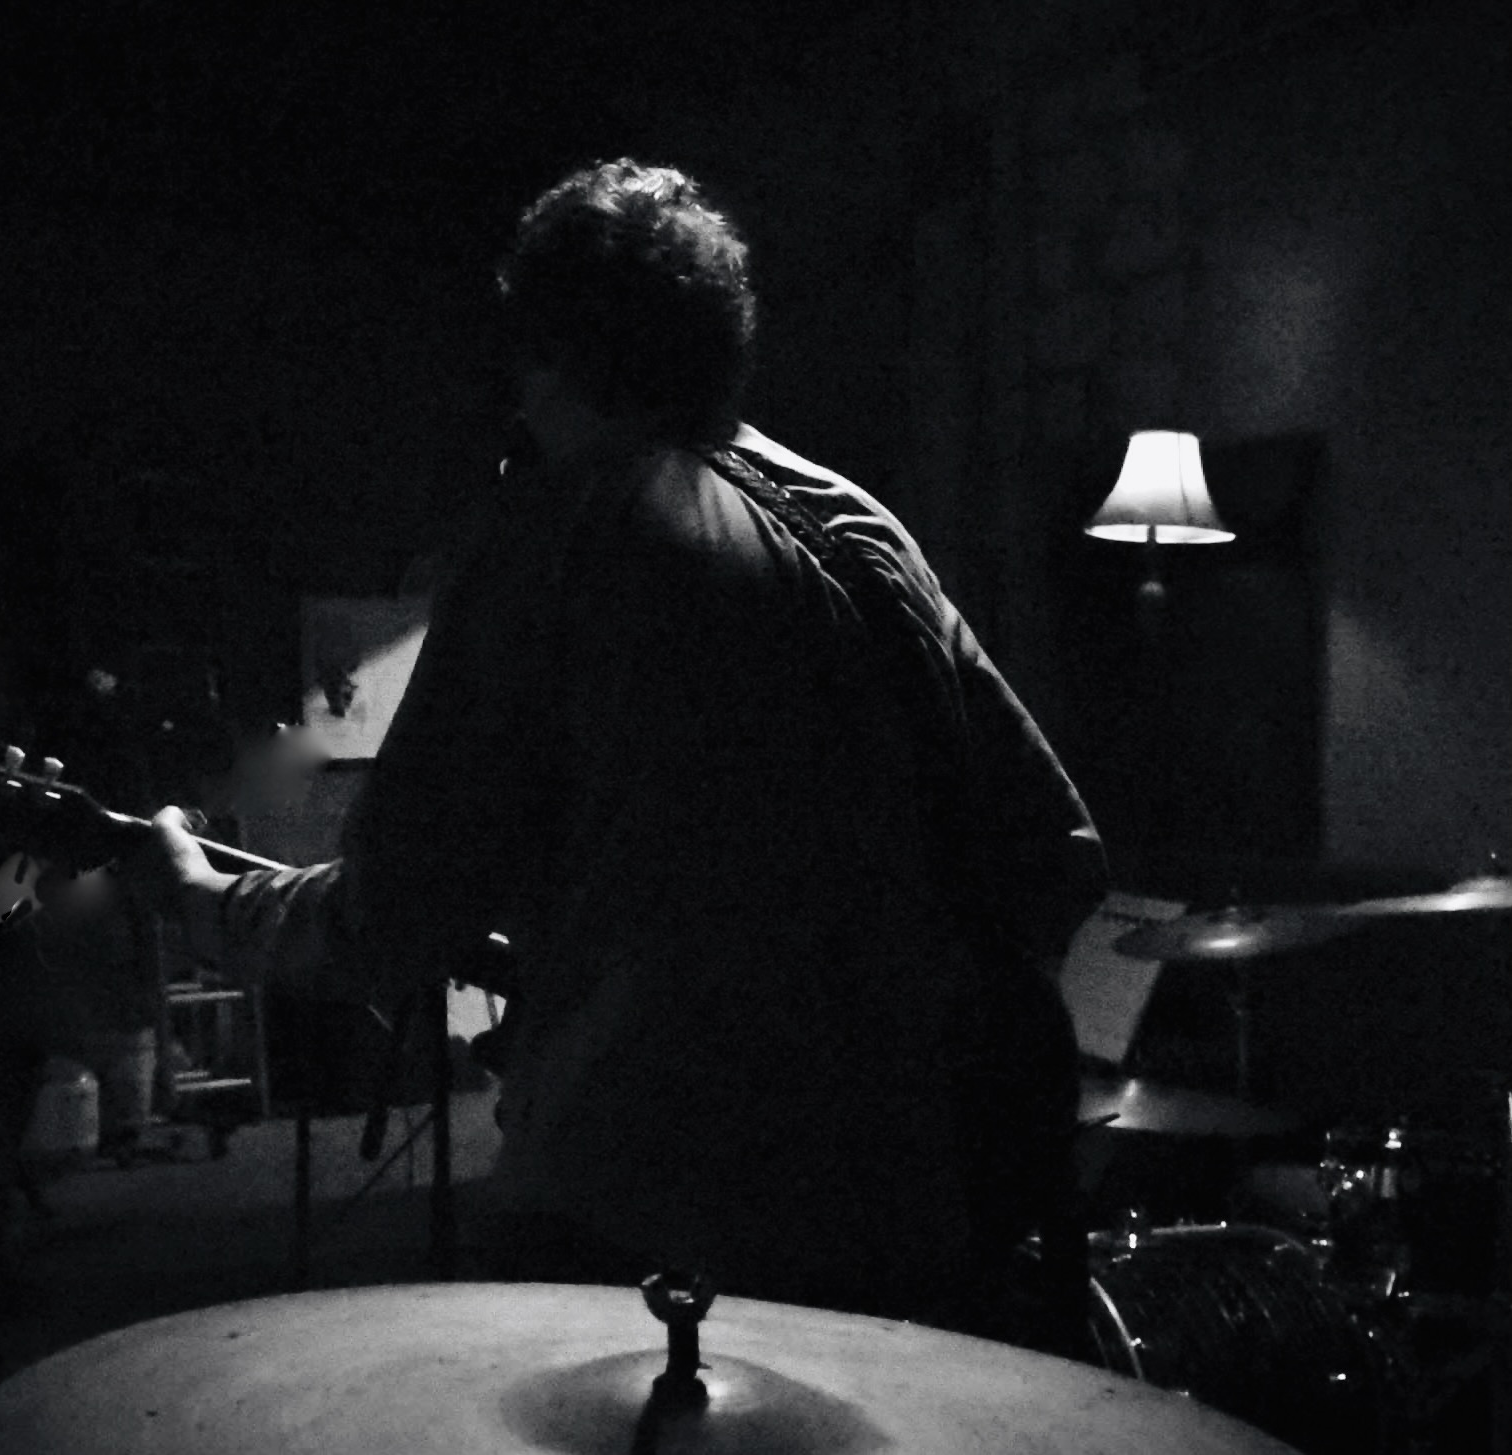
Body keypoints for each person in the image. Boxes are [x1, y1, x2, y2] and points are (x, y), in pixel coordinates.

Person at [143, 159, 1107, 1341]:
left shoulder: (555, 531)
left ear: (548, 357)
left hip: (636, 1232)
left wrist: (207, 903)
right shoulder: (867, 531)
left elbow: (389, 918)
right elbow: (1059, 856)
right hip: (908, 1231)